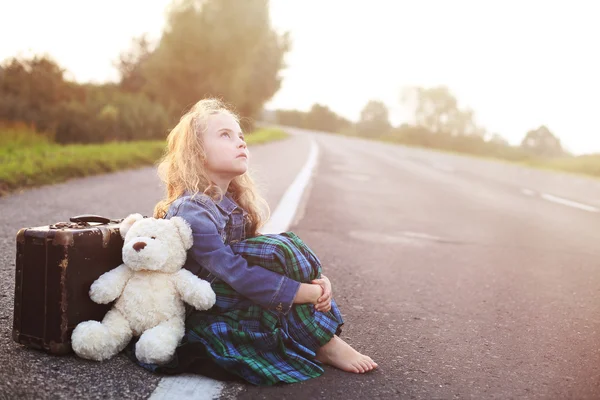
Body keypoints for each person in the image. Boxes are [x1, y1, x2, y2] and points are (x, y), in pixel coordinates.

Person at [141, 98, 377, 385]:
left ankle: (321, 339)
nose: (241, 143)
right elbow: (233, 271)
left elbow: (259, 255)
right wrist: (299, 291)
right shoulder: (192, 209)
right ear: (198, 152)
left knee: (281, 248)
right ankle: (324, 344)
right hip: (199, 305)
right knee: (280, 250)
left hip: (228, 296)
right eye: (225, 135)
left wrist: (316, 279)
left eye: (241, 136)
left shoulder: (230, 203)